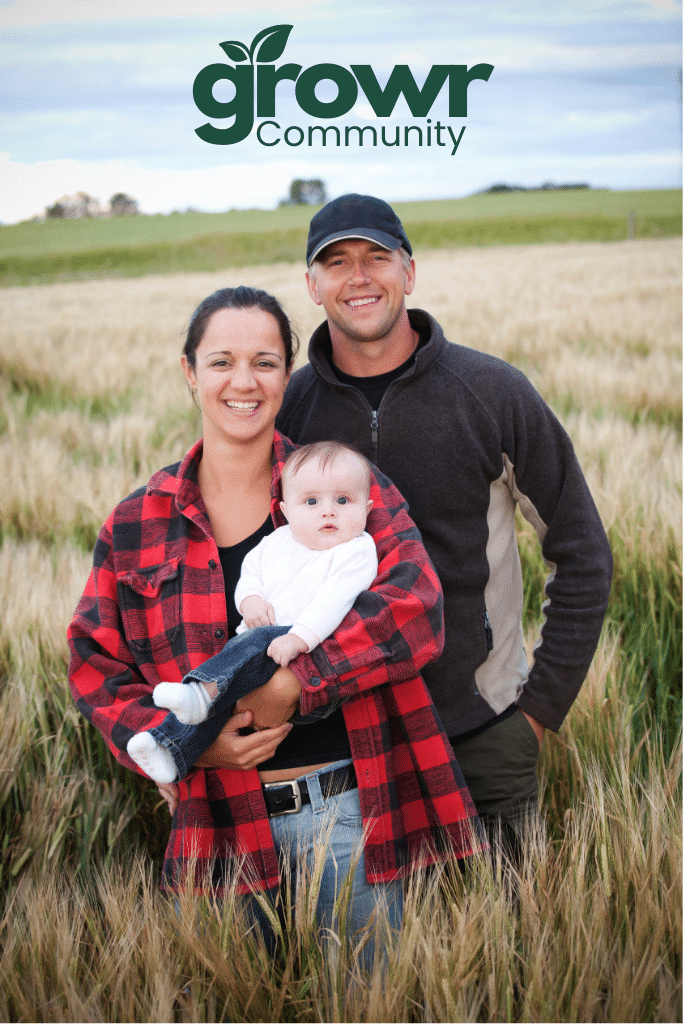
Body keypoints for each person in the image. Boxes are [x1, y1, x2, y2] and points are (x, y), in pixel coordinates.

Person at [67, 284, 484, 953]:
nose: (244, 381)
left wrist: (295, 683)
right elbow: (94, 664)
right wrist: (181, 746)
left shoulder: (340, 486)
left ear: (286, 376)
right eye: (221, 361)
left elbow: (415, 610)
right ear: (189, 371)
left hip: (350, 816)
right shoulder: (136, 523)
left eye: (264, 361)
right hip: (216, 830)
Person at [275, 193, 614, 851]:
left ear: (410, 270)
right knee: (371, 951)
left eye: (378, 256)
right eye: (337, 262)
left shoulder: (492, 393)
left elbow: (582, 552)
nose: (360, 277)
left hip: (483, 735)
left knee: (513, 942)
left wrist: (537, 712)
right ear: (312, 286)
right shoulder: (289, 411)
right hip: (344, 747)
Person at [126, 440, 378, 785]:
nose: (328, 511)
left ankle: (201, 690)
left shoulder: (357, 549)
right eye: (312, 502)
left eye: (343, 501)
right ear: (286, 510)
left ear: (368, 507)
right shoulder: (279, 540)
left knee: (252, 647)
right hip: (253, 651)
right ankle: (171, 750)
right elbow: (251, 574)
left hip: (308, 660)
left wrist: (298, 638)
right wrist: (251, 602)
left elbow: (335, 602)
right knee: (218, 711)